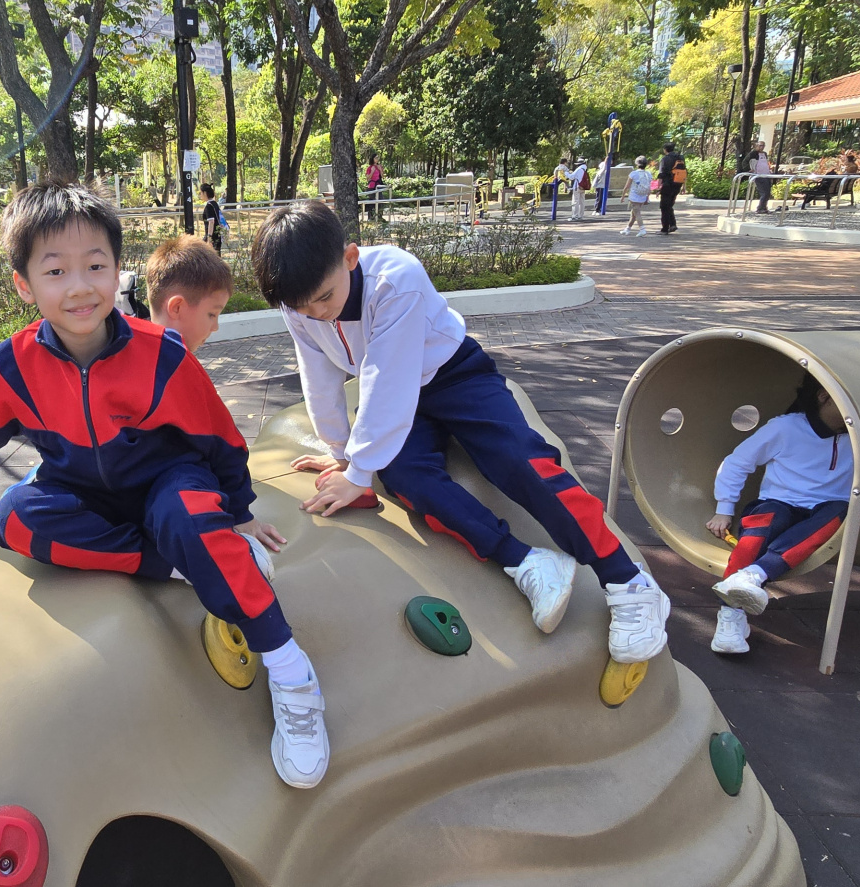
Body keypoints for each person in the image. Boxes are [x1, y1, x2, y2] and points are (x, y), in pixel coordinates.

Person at [0, 181, 332, 789]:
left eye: (95, 266)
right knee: (16, 517)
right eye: (55, 271)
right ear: (24, 284)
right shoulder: (12, 365)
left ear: (117, 271)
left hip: (168, 479)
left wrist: (240, 511)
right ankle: (178, 563)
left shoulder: (160, 352)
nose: (79, 286)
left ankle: (291, 670)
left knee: (191, 517)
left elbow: (218, 435)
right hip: (81, 489)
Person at [249, 200, 672, 665]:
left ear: (350, 257)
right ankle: (525, 561)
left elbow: (388, 379)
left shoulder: (394, 278)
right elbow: (318, 372)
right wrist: (342, 452)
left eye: (325, 298)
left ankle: (627, 579)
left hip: (455, 376)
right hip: (399, 393)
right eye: (302, 307)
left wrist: (359, 469)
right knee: (407, 477)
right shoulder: (300, 304)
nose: (317, 314)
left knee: (519, 459)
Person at [702, 375, 852, 654]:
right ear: (823, 396)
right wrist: (724, 508)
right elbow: (737, 462)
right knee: (761, 528)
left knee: (839, 512)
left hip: (826, 507)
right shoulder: (786, 428)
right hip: (780, 502)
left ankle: (753, 574)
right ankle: (731, 616)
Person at [144, 234, 232, 352]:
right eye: (212, 314)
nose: (215, 327)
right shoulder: (172, 363)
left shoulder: (138, 354)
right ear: (177, 307)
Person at [657, 143, 686, 234]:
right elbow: (684, 172)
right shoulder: (680, 158)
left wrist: (658, 188)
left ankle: (665, 229)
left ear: (665, 149)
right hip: (677, 184)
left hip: (667, 185)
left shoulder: (665, 159)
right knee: (669, 205)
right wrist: (684, 186)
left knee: (664, 207)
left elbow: (661, 174)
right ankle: (673, 224)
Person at [621, 155, 653, 236]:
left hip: (634, 196)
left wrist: (623, 196)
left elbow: (627, 186)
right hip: (643, 196)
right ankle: (627, 229)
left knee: (637, 213)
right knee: (634, 213)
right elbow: (649, 187)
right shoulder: (648, 174)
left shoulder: (633, 174)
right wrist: (647, 197)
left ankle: (642, 229)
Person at [199, 182, 224, 253]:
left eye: (201, 193)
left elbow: (211, 222)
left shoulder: (208, 206)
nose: (200, 195)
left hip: (212, 236)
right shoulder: (214, 203)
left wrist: (209, 238)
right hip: (218, 234)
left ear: (205, 193)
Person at [748, 148, 773, 213]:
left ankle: (764, 207)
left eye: (763, 145)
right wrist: (749, 169)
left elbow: (765, 164)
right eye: (760, 145)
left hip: (766, 175)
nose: (761, 147)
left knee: (767, 193)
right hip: (759, 175)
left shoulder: (765, 154)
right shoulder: (753, 154)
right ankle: (760, 208)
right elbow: (745, 162)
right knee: (764, 193)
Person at [364, 154, 384, 220]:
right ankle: (371, 217)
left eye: (378, 158)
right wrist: (372, 171)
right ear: (372, 159)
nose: (377, 159)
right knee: (372, 202)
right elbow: (368, 178)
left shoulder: (379, 166)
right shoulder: (370, 168)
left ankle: (379, 217)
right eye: (376, 158)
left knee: (381, 201)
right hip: (371, 186)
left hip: (378, 186)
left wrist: (380, 170)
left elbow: (382, 176)